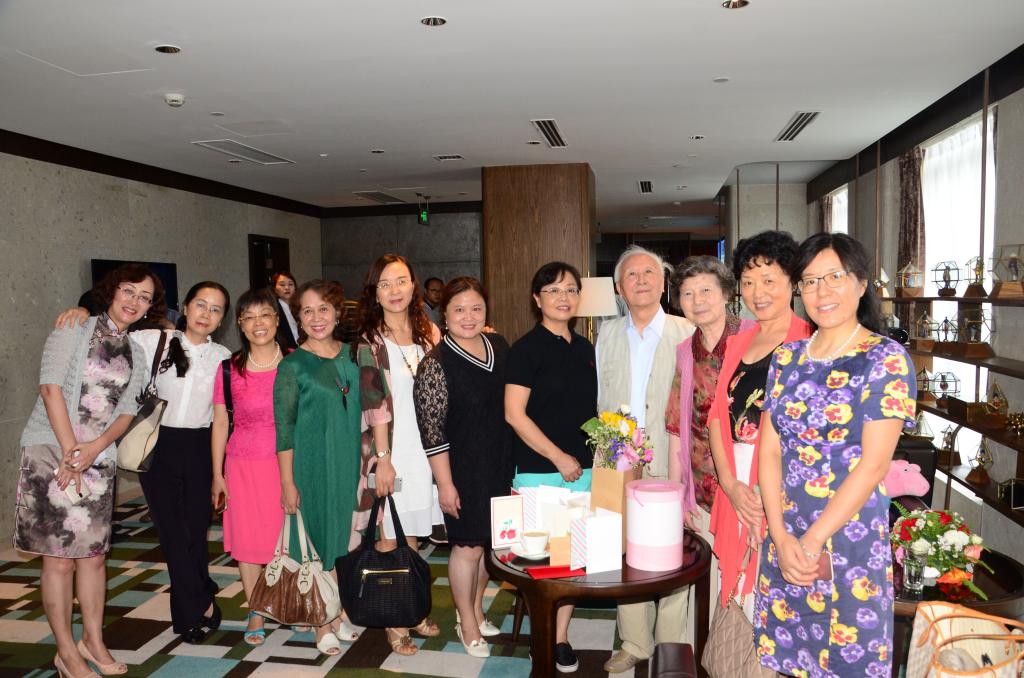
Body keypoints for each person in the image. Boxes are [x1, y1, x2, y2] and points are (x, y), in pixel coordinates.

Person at [755, 233, 916, 676]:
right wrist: (781, 536)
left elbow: (874, 465)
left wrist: (811, 542)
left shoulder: (885, 359)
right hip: (787, 533)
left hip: (846, 539)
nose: (821, 291)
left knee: (845, 660)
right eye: (809, 281)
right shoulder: (786, 358)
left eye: (834, 277)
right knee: (790, 660)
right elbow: (769, 451)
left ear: (861, 283)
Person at [56, 280, 233, 645]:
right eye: (201, 305)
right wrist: (85, 313)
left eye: (216, 310)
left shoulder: (223, 357)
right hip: (158, 445)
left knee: (195, 532)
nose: (206, 314)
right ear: (186, 307)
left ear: (222, 320)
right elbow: (111, 333)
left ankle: (200, 591)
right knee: (173, 534)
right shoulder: (153, 340)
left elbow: (221, 417)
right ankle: (192, 612)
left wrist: (219, 471)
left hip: (201, 447)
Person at [19, 265, 154, 677]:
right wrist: (70, 452)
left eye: (144, 297)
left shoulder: (137, 351)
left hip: (98, 457)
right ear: (111, 291)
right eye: (128, 291)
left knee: (94, 556)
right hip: (51, 450)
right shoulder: (73, 328)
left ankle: (93, 641)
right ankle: (66, 652)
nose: (134, 301)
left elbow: (128, 410)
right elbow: (50, 388)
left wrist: (93, 449)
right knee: (59, 559)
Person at [595, 246, 695, 674]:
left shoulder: (686, 330)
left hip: (671, 453)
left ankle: (672, 645)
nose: (640, 280)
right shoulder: (606, 333)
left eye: (649, 273)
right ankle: (635, 641)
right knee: (625, 550)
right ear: (619, 288)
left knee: (673, 548)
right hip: (617, 453)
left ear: (663, 282)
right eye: (631, 275)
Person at [707, 230, 812, 619]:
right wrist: (730, 484)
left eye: (769, 280)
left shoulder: (809, 341)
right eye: (748, 282)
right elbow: (716, 416)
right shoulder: (740, 340)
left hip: (781, 481)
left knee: (769, 597)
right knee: (734, 596)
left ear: (793, 282)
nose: (757, 292)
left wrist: (762, 495)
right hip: (734, 475)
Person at [505, 261, 597, 674]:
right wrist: (558, 457)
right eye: (554, 290)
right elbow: (514, 414)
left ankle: (559, 638)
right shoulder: (525, 350)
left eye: (571, 289)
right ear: (537, 299)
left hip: (584, 471)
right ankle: (541, 636)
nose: (564, 297)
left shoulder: (585, 348)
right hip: (540, 469)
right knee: (542, 562)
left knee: (573, 561)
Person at [413, 277, 511, 658]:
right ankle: (466, 622)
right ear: (445, 314)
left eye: (476, 308)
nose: (468, 317)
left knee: (489, 545)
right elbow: (432, 433)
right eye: (458, 309)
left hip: (501, 462)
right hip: (463, 470)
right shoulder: (435, 365)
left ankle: (477, 610)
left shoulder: (499, 346)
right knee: (467, 547)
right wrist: (445, 485)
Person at [354, 254, 442, 656]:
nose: (394, 290)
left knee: (414, 534)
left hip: (426, 452)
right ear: (375, 293)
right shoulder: (370, 342)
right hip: (391, 449)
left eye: (401, 281)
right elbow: (374, 405)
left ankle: (413, 607)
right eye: (385, 284)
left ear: (413, 285)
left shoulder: (430, 334)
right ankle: (395, 622)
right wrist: (384, 458)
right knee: (389, 535)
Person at [274, 279, 363, 655]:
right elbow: (284, 430)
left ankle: (336, 612)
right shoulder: (292, 365)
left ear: (338, 312)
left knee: (341, 540)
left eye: (323, 309)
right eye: (306, 311)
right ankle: (320, 622)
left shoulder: (354, 356)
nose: (316, 317)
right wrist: (287, 482)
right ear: (298, 318)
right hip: (311, 466)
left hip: (348, 462)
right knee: (316, 540)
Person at [664, 255, 753, 621]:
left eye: (706, 291)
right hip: (703, 492)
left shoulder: (754, 339)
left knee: (746, 586)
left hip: (748, 489)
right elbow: (677, 428)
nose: (697, 301)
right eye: (687, 294)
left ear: (726, 293)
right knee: (708, 585)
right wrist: (677, 495)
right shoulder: (686, 352)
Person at [210, 288, 287, 646]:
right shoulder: (229, 369)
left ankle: (289, 604)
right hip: (242, 466)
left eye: (265, 315)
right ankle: (256, 609)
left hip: (286, 464)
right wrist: (217, 474)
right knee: (247, 541)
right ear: (240, 324)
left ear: (277, 320)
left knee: (287, 539)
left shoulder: (294, 363)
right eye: (249, 317)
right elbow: (220, 423)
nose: (259, 323)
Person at [271, 271, 299, 349]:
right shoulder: (273, 310)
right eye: (282, 285)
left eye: (290, 284)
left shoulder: (300, 307)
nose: (287, 288)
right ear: (275, 289)